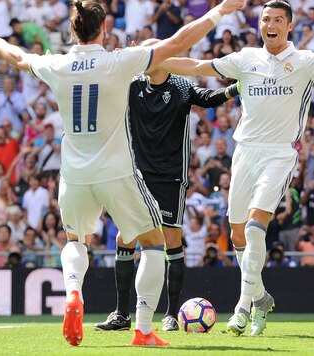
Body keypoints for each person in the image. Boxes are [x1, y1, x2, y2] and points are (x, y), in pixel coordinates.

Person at [0, 0, 246, 347]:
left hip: (73, 174)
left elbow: (19, 58)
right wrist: (221, 9)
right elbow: (178, 42)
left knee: (76, 239)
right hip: (116, 171)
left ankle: (73, 292)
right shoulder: (120, 61)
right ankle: (145, 329)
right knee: (152, 242)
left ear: (73, 30)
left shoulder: (57, 65)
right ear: (104, 28)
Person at [156, 0, 314, 336]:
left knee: (257, 225)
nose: (269, 25)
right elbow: (198, 66)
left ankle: (242, 308)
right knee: (237, 234)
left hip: (279, 154)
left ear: (290, 26)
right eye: (264, 19)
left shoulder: (304, 62)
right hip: (244, 152)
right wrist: (151, 59)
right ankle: (261, 298)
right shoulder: (246, 58)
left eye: (277, 19)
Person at [95, 39, 238, 332]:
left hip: (171, 176)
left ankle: (171, 314)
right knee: (125, 238)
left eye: (147, 54)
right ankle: (122, 314)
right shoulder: (131, 86)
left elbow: (210, 98)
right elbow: (104, 80)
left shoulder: (182, 87)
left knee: (171, 240)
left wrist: (236, 87)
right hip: (136, 175)